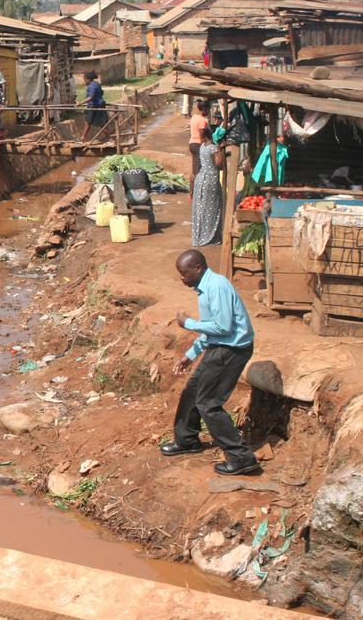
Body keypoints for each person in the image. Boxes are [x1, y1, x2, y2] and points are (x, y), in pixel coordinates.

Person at [163, 250, 261, 476]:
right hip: (220, 347)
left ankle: (240, 458)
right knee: (192, 391)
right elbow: (211, 331)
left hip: (231, 350)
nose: (181, 278)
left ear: (197, 268)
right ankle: (186, 440)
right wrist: (190, 354)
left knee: (208, 403)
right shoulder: (205, 288)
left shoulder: (216, 287)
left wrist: (188, 323)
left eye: (183, 273)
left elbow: (222, 327)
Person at [191, 127, 224, 247]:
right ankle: (209, 236)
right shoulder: (212, 148)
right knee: (212, 208)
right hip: (210, 180)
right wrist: (220, 149)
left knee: (201, 209)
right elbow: (219, 164)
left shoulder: (202, 147)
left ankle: (200, 235)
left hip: (200, 179)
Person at [188, 99, 210, 191]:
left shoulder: (194, 117)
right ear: (205, 109)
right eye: (208, 109)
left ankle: (192, 191)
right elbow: (202, 135)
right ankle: (196, 191)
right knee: (199, 170)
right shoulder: (202, 120)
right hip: (198, 144)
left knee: (194, 169)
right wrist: (206, 144)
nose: (209, 112)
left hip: (192, 143)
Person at [79, 71, 107, 143]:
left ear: (88, 79)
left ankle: (111, 137)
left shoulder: (92, 86)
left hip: (95, 106)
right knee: (88, 122)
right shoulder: (97, 84)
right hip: (96, 105)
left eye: (84, 80)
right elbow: (102, 92)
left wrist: (81, 103)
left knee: (100, 123)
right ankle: (83, 137)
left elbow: (91, 97)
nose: (84, 81)